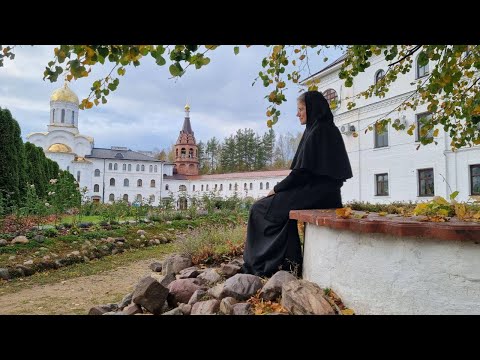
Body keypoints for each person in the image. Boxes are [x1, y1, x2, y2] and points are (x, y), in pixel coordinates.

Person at [241, 90, 353, 277]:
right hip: (321, 192)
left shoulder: (319, 131)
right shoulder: (321, 129)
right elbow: (306, 172)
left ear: (312, 108)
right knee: (276, 210)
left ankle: (261, 264)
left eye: (301, 109)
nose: (297, 113)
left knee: (259, 208)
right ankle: (286, 263)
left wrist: (276, 189)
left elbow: (301, 173)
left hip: (316, 193)